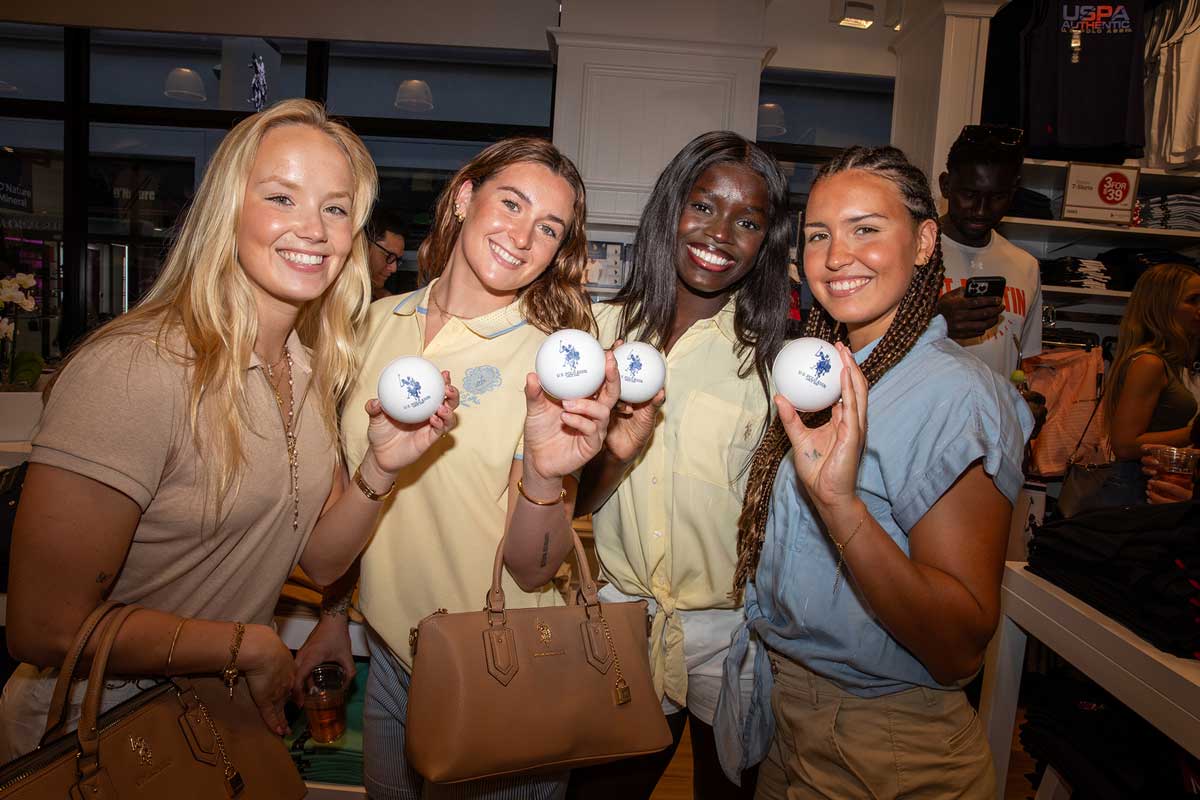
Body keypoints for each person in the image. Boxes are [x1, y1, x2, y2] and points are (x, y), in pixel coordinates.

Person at [0, 99, 458, 761]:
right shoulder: (135, 368)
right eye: (281, 197)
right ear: (227, 211)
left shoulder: (307, 370)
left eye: (335, 208)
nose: (314, 229)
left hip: (217, 721)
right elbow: (42, 627)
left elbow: (322, 560)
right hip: (98, 739)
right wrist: (244, 645)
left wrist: (381, 468)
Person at [294, 137, 608, 800]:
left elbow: (532, 570)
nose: (522, 237)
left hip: (502, 670)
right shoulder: (368, 326)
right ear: (465, 198)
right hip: (391, 658)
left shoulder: (554, 362)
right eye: (511, 204)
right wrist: (334, 615)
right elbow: (349, 506)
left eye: (548, 227)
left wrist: (545, 475)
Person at [715, 146, 1032, 799]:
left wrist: (842, 507)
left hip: (885, 746)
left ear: (924, 242)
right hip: (790, 718)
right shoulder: (829, 374)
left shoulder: (956, 397)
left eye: (865, 229)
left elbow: (959, 644)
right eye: (818, 235)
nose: (836, 256)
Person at [518, 131, 788, 800]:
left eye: (748, 221)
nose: (719, 233)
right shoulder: (596, 338)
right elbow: (568, 502)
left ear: (766, 240)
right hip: (622, 623)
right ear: (672, 207)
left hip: (731, 637)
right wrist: (616, 452)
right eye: (704, 206)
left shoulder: (774, 359)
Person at [937, 125, 1046, 431]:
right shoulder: (908, 253)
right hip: (924, 431)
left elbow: (1019, 362)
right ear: (946, 185)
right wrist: (935, 321)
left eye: (997, 196)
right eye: (969, 194)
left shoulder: (1025, 266)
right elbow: (871, 347)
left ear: (1013, 193)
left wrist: (1022, 407)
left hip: (994, 435)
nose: (981, 210)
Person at [1086, 263, 1200, 509]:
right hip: (1135, 488)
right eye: (1192, 300)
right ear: (1164, 306)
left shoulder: (1167, 362)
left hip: (1149, 483)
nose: (1199, 309)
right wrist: (1193, 434)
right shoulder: (1150, 362)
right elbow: (1125, 444)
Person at [367, 206, 407, 301]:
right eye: (389, 256)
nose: (394, 269)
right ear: (365, 245)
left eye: (397, 260)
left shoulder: (382, 299)